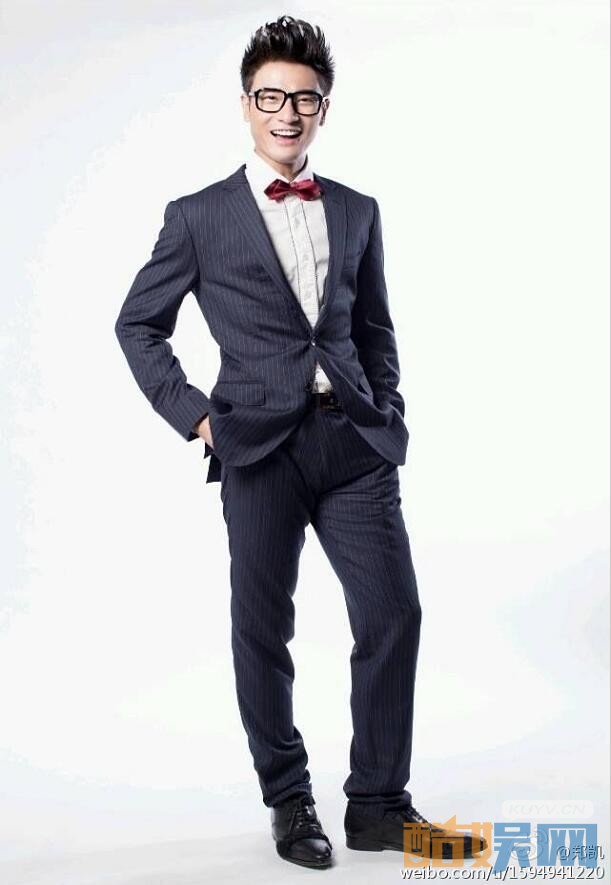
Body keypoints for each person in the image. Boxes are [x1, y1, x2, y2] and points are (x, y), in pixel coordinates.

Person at [114, 13, 487, 871]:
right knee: (262, 629)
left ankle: (378, 804)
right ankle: (289, 799)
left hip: (352, 445)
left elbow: (373, 326)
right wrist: (198, 417)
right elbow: (138, 324)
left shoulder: (356, 209)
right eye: (270, 97)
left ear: (324, 106)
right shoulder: (198, 216)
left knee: (393, 612)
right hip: (257, 449)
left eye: (304, 98)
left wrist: (385, 407)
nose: (287, 112)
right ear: (247, 104)